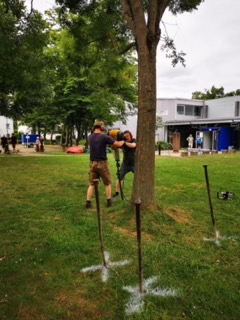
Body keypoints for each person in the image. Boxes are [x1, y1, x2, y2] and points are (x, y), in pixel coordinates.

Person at [85, 120, 125, 208]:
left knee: (92, 184)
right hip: (102, 164)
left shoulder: (90, 136)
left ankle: (88, 203)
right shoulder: (104, 137)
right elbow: (117, 144)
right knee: (107, 183)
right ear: (101, 127)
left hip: (92, 164)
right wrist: (123, 141)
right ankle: (109, 202)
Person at [112, 130, 136, 198]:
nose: (126, 137)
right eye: (125, 136)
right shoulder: (123, 142)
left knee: (139, 178)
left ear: (131, 136)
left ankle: (140, 191)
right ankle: (117, 193)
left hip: (134, 164)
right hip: (125, 164)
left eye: (127, 136)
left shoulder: (134, 140)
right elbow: (115, 146)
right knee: (119, 177)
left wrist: (124, 142)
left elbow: (132, 146)